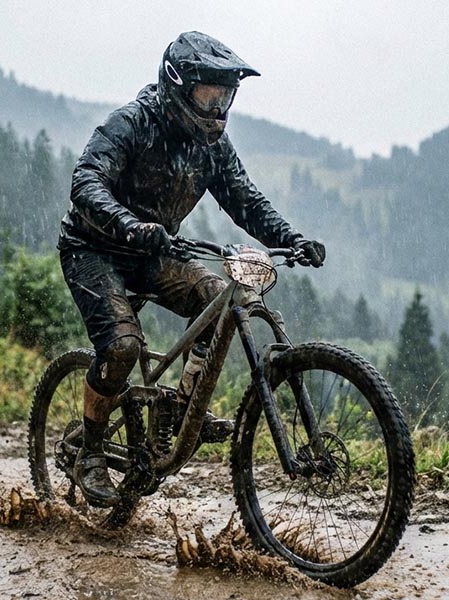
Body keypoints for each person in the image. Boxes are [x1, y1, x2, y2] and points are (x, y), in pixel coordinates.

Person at [58, 31, 325, 508]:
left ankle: (180, 411)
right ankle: (91, 452)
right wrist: (129, 224)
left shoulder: (211, 147)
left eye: (225, 97)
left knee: (215, 297)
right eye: (209, 95)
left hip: (153, 253)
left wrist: (291, 239)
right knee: (121, 348)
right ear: (177, 87)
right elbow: (86, 181)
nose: (218, 108)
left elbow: (248, 202)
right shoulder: (131, 123)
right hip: (93, 249)